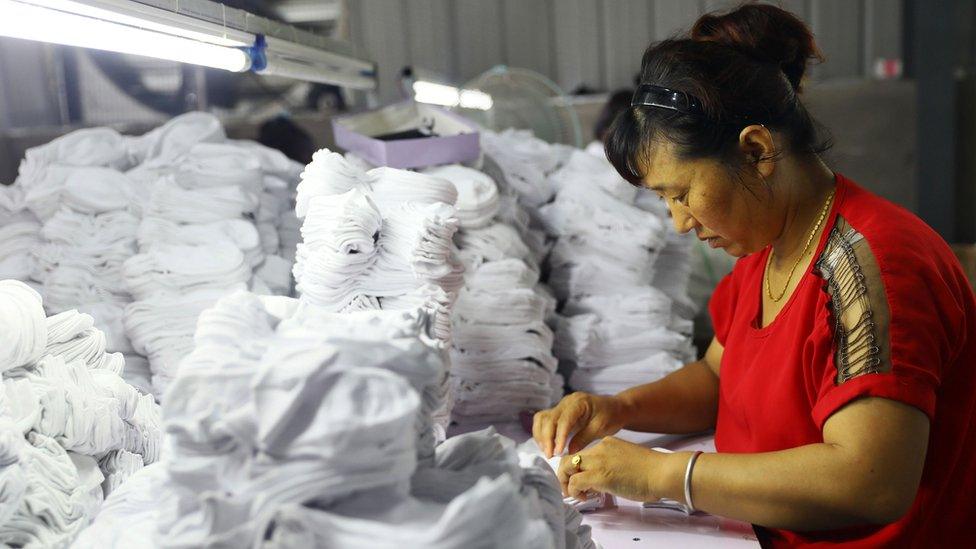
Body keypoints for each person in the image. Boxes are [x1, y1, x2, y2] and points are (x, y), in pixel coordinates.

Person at [532, 4, 976, 547]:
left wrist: (666, 475)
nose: (678, 222)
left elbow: (872, 480)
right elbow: (720, 379)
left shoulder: (874, 266)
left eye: (682, 193)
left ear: (757, 150)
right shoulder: (768, 250)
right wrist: (617, 408)